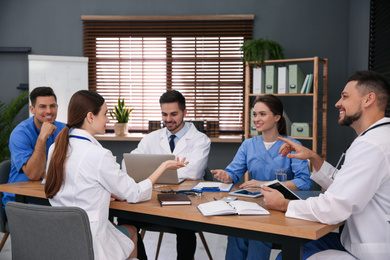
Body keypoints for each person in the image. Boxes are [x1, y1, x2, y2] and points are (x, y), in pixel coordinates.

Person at [262, 70, 390, 260]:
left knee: (288, 256)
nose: (338, 103)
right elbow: (348, 187)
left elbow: (334, 208)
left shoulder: (371, 145)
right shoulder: (378, 137)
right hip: (355, 238)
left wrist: (284, 204)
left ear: (368, 99)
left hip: (370, 250)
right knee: (291, 250)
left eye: (345, 97)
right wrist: (314, 157)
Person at [44, 90, 187, 260]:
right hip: (92, 241)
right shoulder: (99, 155)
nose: (108, 120)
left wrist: (103, 191)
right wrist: (163, 166)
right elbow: (135, 193)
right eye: (105, 114)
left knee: (117, 228)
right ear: (90, 117)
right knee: (132, 233)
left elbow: (74, 186)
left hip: (63, 240)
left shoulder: (55, 149)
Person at [212, 94, 313, 260]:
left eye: (262, 114)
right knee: (236, 234)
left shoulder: (292, 146)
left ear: (277, 117)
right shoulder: (248, 145)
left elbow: (304, 182)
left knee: (258, 236)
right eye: (254, 114)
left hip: (281, 209)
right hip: (252, 207)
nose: (256, 119)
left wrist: (264, 184)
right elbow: (233, 173)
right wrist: (226, 175)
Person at [122, 89, 211, 260]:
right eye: (164, 114)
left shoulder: (200, 140)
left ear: (185, 112)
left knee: (186, 229)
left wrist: (151, 174)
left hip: (183, 203)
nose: (168, 119)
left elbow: (192, 172)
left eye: (174, 114)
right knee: (126, 220)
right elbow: (128, 164)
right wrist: (164, 169)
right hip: (151, 202)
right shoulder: (152, 138)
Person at [2, 86, 66, 209]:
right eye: (43, 106)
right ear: (32, 109)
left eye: (52, 106)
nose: (49, 111)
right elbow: (34, 174)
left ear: (57, 107)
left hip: (53, 199)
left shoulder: (65, 130)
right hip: (19, 202)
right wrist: (42, 137)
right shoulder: (20, 133)